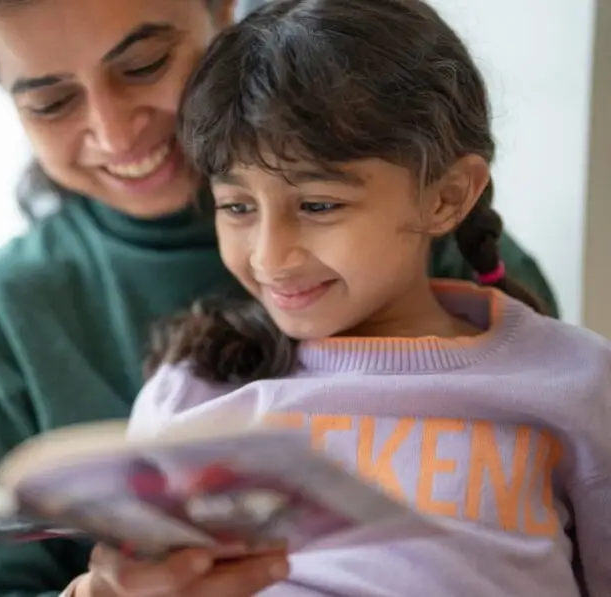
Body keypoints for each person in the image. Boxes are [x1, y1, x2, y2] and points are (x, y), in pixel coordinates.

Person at [0, 0, 562, 596]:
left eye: (145, 64)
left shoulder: (456, 262)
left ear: (223, 12)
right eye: (51, 103)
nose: (116, 130)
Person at [70, 1, 611, 595]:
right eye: (237, 207)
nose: (270, 257)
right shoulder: (191, 393)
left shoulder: (577, 383)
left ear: (446, 196)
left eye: (319, 205)